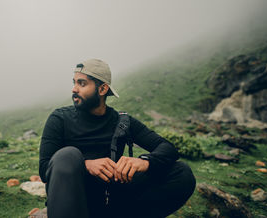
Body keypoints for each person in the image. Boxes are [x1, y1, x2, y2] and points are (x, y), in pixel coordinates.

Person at [39, 59, 196, 218]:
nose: (74, 89)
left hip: (114, 200)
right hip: (77, 200)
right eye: (74, 83)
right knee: (68, 155)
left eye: (82, 83)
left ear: (102, 89)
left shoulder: (122, 121)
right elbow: (45, 169)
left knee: (181, 172)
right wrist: (85, 165)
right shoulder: (60, 118)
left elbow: (167, 148)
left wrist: (144, 161)